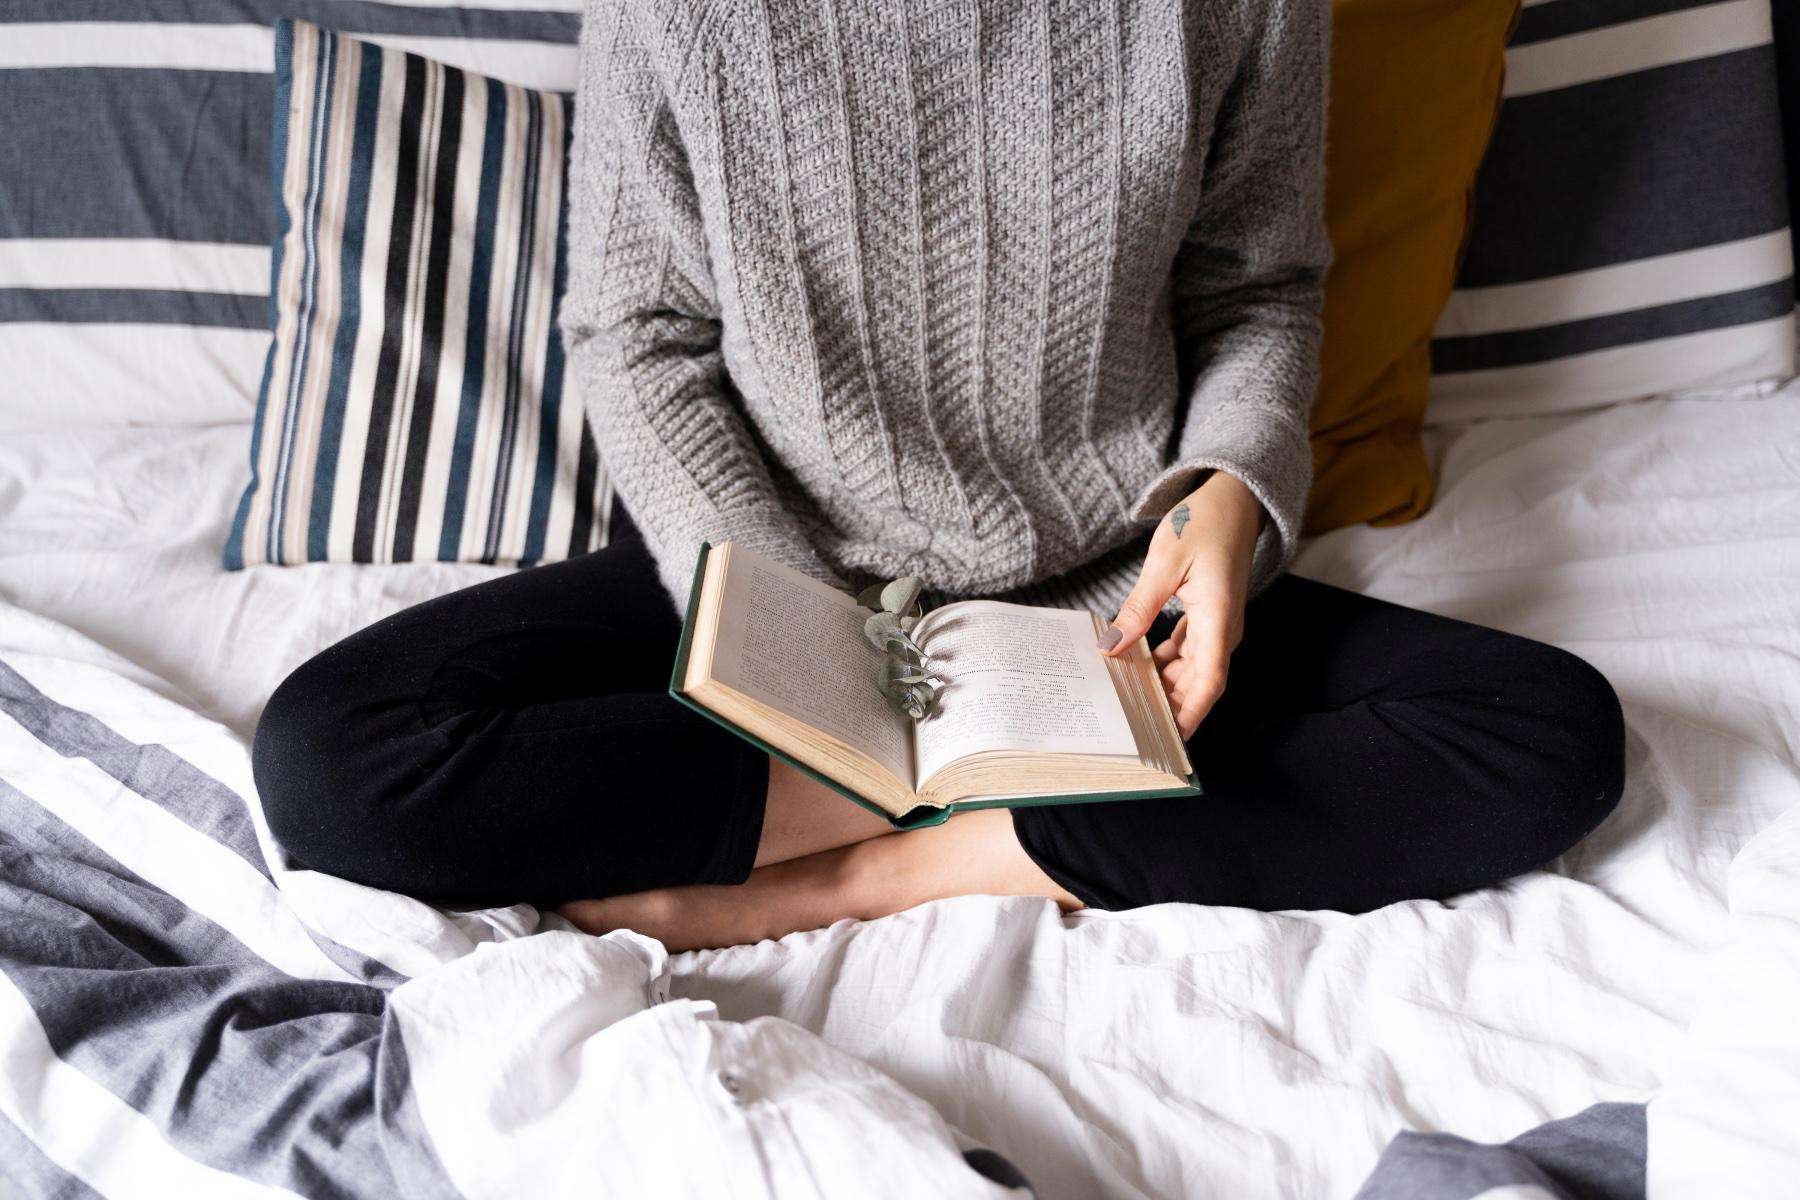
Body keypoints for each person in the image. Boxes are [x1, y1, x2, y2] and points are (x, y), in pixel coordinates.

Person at [251, 0, 1626, 953]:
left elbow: (1258, 289)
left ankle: (899, 866)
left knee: (1549, 736)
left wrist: (1222, 503)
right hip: (781, 566)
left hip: (1108, 603)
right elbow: (639, 334)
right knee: (331, 761)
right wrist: (800, 648)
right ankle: (946, 789)